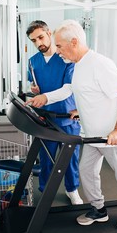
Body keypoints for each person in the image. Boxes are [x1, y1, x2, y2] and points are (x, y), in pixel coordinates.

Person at [26, 19, 117, 230]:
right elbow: (74, 91)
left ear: (74, 42)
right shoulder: (77, 65)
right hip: (91, 134)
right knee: (87, 171)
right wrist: (69, 107)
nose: (58, 51)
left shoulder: (100, 63)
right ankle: (98, 210)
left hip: (110, 135)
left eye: (60, 46)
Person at [26, 20, 83, 205]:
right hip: (45, 117)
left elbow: (68, 88)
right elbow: (33, 84)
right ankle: (46, 190)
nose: (38, 43)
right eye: (34, 40)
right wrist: (34, 89)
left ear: (49, 33)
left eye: (41, 37)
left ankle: (72, 189)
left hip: (67, 116)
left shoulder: (66, 57)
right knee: (46, 158)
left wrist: (45, 97)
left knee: (70, 157)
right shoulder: (33, 62)